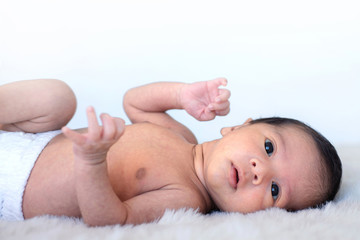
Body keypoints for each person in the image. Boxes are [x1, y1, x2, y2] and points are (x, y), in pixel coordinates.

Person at [0, 78, 342, 226]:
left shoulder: (186, 198)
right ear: (238, 126)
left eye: (274, 190)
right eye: (268, 148)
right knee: (57, 98)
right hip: (29, 142)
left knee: (57, 98)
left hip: (13, 189)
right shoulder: (181, 136)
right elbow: (134, 102)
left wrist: (92, 162)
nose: (259, 171)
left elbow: (109, 220)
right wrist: (181, 96)